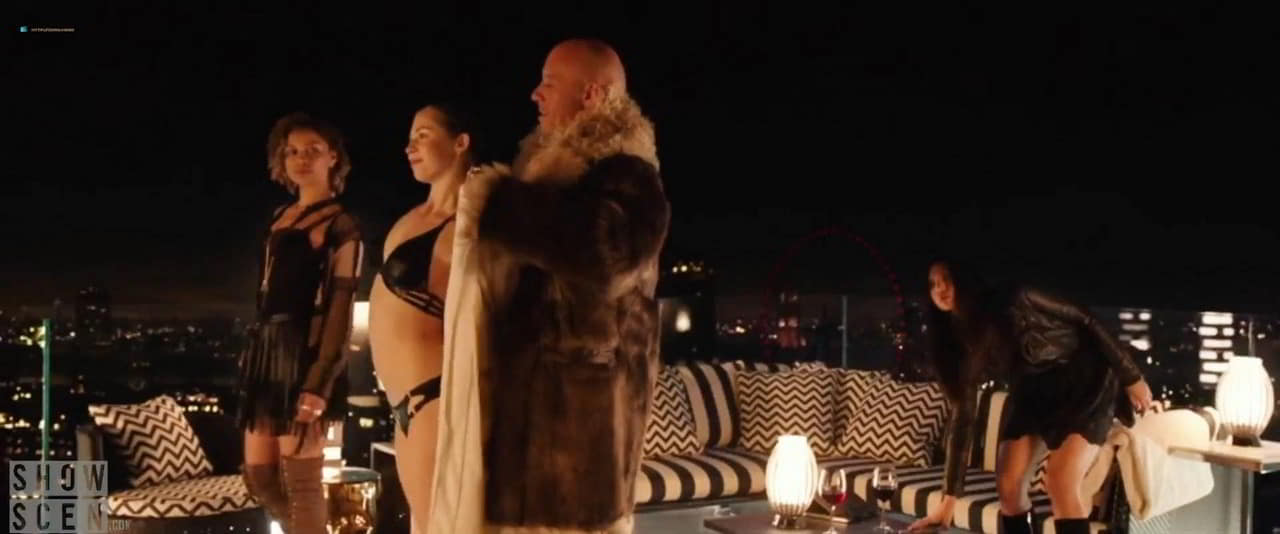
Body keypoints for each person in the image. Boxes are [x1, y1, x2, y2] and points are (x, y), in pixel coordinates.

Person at [428, 38, 671, 534]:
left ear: (592, 95)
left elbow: (605, 254)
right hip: (531, 429)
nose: (535, 94)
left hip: (579, 444)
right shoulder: (553, 177)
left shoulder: (630, 176)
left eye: (549, 83)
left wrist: (499, 203)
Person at [907, 259, 1153, 534]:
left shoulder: (1017, 297)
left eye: (946, 280)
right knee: (1008, 485)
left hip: (1083, 382)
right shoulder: (956, 341)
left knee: (1060, 482)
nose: (939, 289)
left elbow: (1086, 319)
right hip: (1032, 391)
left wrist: (1132, 376)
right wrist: (948, 502)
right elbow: (963, 418)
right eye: (933, 284)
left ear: (965, 279)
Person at [237, 112, 363, 534]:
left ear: (333, 157)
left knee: (302, 483)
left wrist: (320, 381)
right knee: (260, 476)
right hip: (266, 351)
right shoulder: (279, 216)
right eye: (292, 151)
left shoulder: (341, 224)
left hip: (304, 351)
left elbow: (341, 305)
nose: (301, 159)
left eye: (312, 150)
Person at [369, 102, 483, 533]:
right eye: (409, 138)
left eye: (423, 135)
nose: (409, 147)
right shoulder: (413, 219)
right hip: (406, 405)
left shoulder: (475, 222)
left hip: (433, 399)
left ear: (460, 142)